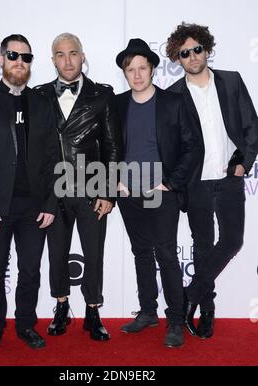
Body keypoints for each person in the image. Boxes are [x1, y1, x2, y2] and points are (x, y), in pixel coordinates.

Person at [0, 34, 58, 352]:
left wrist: (49, 203)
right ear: (2, 59)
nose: (20, 61)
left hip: (33, 207)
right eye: (14, 55)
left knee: (30, 271)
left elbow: (52, 158)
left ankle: (26, 326)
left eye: (26, 57)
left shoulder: (43, 103)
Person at [166, 22, 258, 339]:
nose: (192, 56)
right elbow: (173, 147)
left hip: (229, 178)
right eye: (184, 53)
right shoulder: (174, 95)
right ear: (177, 59)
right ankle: (207, 311)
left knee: (232, 240)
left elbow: (251, 128)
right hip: (196, 184)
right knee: (203, 247)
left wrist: (243, 164)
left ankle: (188, 296)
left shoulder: (231, 82)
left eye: (197, 49)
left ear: (207, 49)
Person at [34, 33, 122, 341]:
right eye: (60, 54)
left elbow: (112, 146)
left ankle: (93, 311)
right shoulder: (39, 95)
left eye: (73, 53)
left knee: (94, 253)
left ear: (82, 56)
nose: (68, 60)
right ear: (53, 59)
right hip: (53, 192)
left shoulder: (102, 95)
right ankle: (60, 306)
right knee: (56, 252)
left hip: (92, 189)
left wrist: (108, 192)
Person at [115, 38, 199, 347]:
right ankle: (148, 312)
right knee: (141, 254)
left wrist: (170, 183)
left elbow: (193, 148)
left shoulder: (173, 103)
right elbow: (108, 147)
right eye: (130, 70)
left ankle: (175, 320)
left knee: (165, 254)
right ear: (125, 73)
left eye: (142, 68)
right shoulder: (118, 104)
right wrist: (117, 182)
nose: (136, 75)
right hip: (129, 192)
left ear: (152, 69)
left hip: (161, 191)